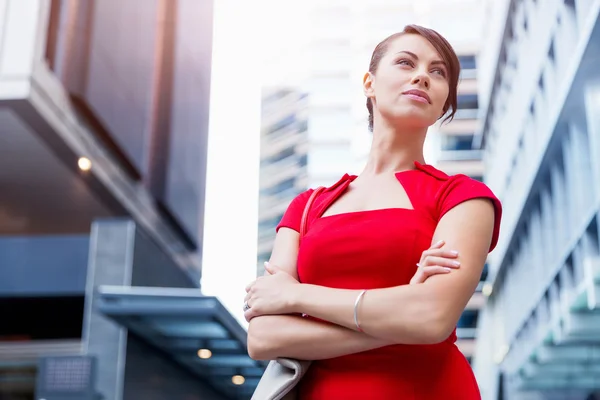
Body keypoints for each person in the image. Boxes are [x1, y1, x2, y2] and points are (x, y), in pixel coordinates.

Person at [245, 24, 502, 399]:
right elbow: (264, 336)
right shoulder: (307, 207)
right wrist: (399, 315)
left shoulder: (463, 197)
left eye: (438, 72)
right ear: (369, 82)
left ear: (445, 101)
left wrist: (297, 296)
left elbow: (431, 318)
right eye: (405, 62)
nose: (422, 76)